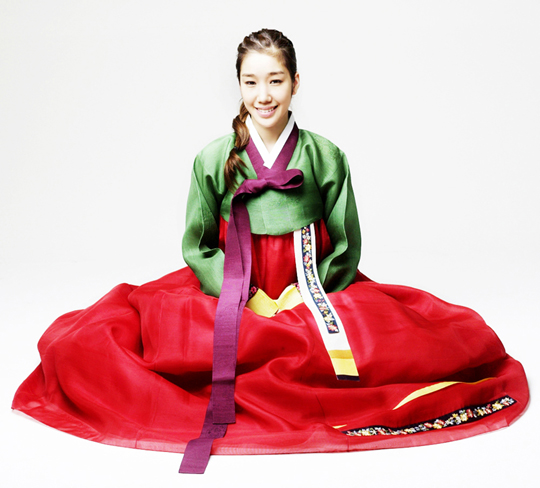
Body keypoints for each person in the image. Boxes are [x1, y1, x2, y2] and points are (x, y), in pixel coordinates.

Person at [12, 29, 529, 474]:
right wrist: (240, 293)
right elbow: (197, 244)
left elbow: (345, 240)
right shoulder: (214, 157)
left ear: (296, 83)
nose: (263, 95)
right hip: (235, 285)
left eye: (275, 81)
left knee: (384, 349)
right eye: (251, 82)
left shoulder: (325, 154)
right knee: (163, 347)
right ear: (238, 86)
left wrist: (311, 291)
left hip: (313, 285)